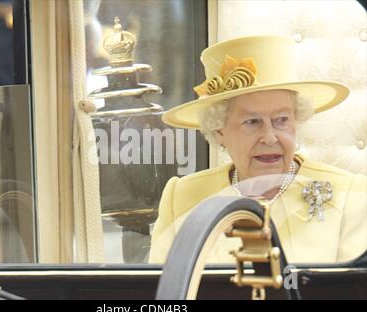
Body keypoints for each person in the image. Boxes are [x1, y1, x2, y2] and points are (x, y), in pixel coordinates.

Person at [149, 35, 367, 264]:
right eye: (252, 122)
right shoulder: (182, 197)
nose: (270, 137)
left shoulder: (350, 194)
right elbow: (162, 292)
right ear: (219, 131)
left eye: (282, 120)